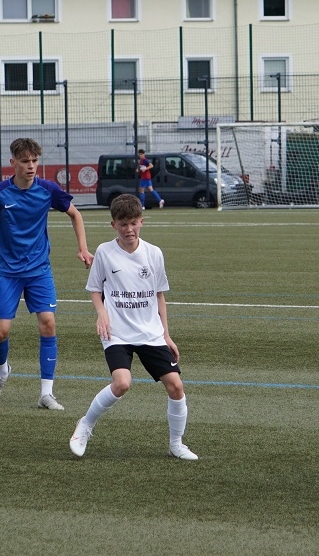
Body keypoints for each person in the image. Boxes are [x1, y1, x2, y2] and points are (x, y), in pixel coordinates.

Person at [69, 194, 198, 460]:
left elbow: (159, 296)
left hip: (150, 332)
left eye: (133, 223)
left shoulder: (154, 253)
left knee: (176, 386)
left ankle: (176, 444)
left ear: (142, 221)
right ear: (113, 225)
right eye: (123, 224)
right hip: (116, 332)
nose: (129, 229)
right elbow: (95, 290)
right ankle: (85, 425)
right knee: (122, 383)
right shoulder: (105, 252)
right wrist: (102, 314)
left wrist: (166, 335)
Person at [0, 137, 93, 410]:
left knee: (48, 323)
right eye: (25, 161)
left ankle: (46, 393)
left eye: (35, 161)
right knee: (1, 333)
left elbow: (75, 215)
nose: (31, 166)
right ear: (13, 162)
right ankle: (2, 372)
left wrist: (83, 248)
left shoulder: (48, 190)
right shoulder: (0, 192)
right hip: (8, 271)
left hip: (39, 268)